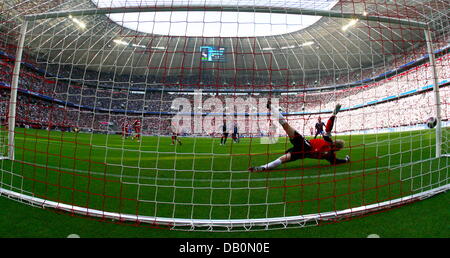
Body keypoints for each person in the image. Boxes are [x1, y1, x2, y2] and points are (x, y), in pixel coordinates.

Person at [248, 101, 350, 172]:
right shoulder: (330, 150)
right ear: (338, 148)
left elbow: (328, 129)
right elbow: (336, 161)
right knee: (283, 156)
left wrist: (346, 159)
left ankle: (263, 167)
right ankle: (264, 167)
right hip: (304, 148)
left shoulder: (330, 152)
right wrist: (346, 159)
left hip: (303, 149)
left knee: (285, 128)